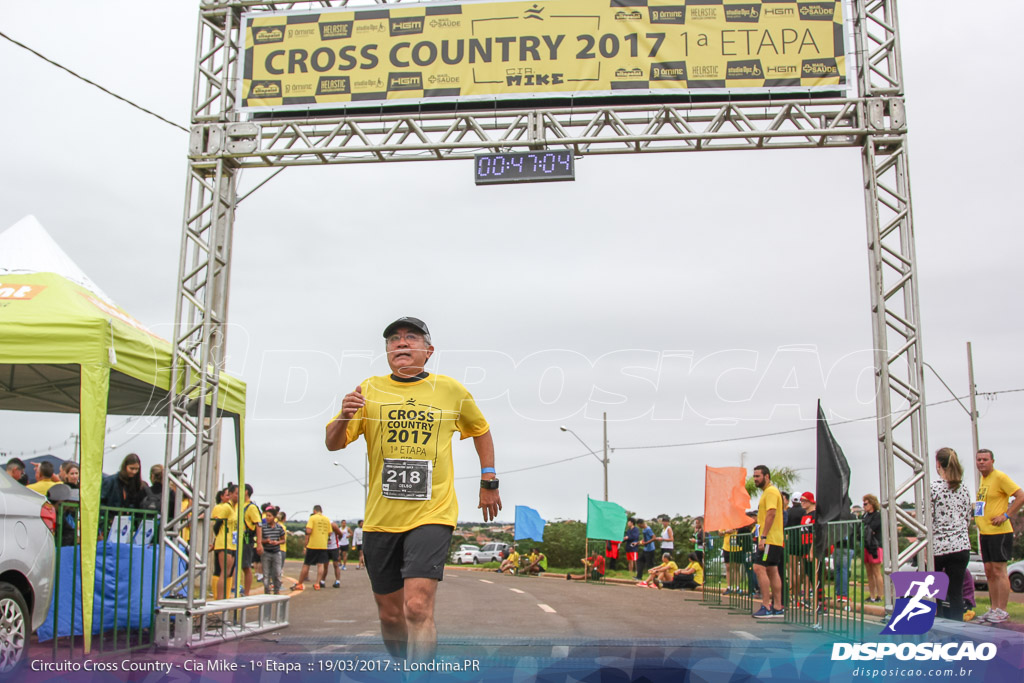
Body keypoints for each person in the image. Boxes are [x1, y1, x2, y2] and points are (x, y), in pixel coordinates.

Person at [324, 317, 500, 660]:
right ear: (387, 351)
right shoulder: (369, 389)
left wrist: (488, 480)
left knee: (417, 608)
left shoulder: (450, 390)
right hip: (381, 519)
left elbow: (481, 429)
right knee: (390, 617)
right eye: (393, 340)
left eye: (410, 338)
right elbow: (333, 443)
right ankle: (404, 666)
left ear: (428, 350)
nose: (401, 343)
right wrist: (345, 416)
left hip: (432, 513)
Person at [973, 449, 1023, 624]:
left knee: (999, 571)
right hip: (985, 532)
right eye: (979, 459)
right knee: (989, 571)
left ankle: (1002, 610)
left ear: (992, 461)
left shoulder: (1000, 477)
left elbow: (1020, 495)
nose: (981, 462)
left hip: (999, 532)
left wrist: (1006, 515)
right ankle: (994, 609)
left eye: (985, 459)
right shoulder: (982, 479)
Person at [931, 447, 972, 621]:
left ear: (938, 464)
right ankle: (958, 632)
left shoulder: (933, 488)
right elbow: (967, 517)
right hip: (961, 545)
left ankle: (936, 630)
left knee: (935, 594)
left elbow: (927, 518)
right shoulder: (963, 488)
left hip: (938, 547)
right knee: (956, 593)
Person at [751, 465, 785, 619]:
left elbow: (771, 513)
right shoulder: (768, 492)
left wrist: (763, 537)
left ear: (767, 476)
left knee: (759, 567)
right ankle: (778, 607)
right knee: (772, 569)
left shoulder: (771, 491)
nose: (755, 479)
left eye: (758, 476)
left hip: (770, 540)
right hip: (774, 540)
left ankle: (766, 605)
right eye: (754, 476)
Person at [292, 505, 338, 591]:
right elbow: (330, 533)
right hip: (323, 545)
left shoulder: (312, 518)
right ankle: (317, 583)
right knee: (321, 565)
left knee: (306, 564)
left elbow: (308, 531)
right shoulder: (327, 519)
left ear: (314, 511)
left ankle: (300, 583)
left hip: (313, 545)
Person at [210, 484, 239, 600]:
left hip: (232, 544)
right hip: (224, 543)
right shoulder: (225, 507)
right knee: (223, 572)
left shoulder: (236, 508)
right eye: (236, 493)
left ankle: (225, 597)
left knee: (228, 573)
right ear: (231, 495)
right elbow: (217, 525)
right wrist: (216, 541)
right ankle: (219, 599)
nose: (238, 496)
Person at [239, 484, 264, 597]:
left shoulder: (251, 507)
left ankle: (247, 592)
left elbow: (258, 525)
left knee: (246, 566)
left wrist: (259, 543)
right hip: (236, 539)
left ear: (246, 492)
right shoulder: (238, 505)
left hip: (247, 539)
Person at [861, 494, 884, 603]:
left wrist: (867, 529)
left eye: (866, 504)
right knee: (869, 572)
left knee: (876, 571)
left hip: (875, 545)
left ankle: (880, 595)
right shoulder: (865, 516)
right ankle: (872, 595)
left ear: (872, 503)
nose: (864, 506)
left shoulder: (877, 515)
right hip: (866, 544)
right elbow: (862, 528)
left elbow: (871, 528)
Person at [260, 507, 286, 595]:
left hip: (276, 552)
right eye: (266, 516)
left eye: (269, 516)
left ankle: (276, 591)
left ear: (274, 517)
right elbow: (259, 539)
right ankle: (267, 591)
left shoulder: (279, 527)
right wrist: (266, 541)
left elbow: (283, 540)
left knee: (277, 573)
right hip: (266, 552)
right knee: (266, 574)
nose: (267, 517)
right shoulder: (263, 527)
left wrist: (277, 542)